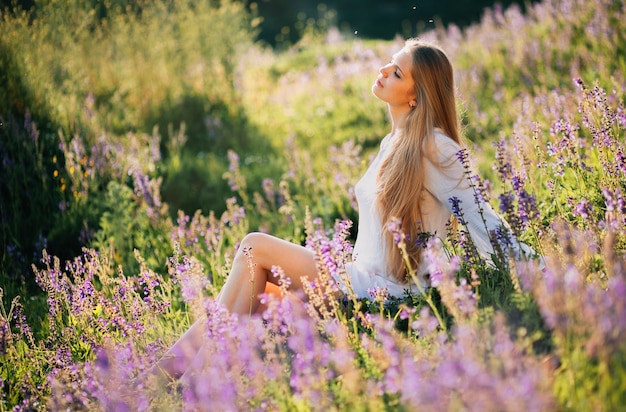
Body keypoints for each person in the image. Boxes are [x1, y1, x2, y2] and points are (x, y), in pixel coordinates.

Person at [144, 38, 533, 383]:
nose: (383, 71)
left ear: (417, 94)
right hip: (359, 277)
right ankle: (161, 380)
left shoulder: (436, 146)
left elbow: (482, 218)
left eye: (397, 72)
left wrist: (538, 269)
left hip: (384, 291)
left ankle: (179, 387)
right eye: (389, 63)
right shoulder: (392, 143)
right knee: (255, 298)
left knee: (254, 247)